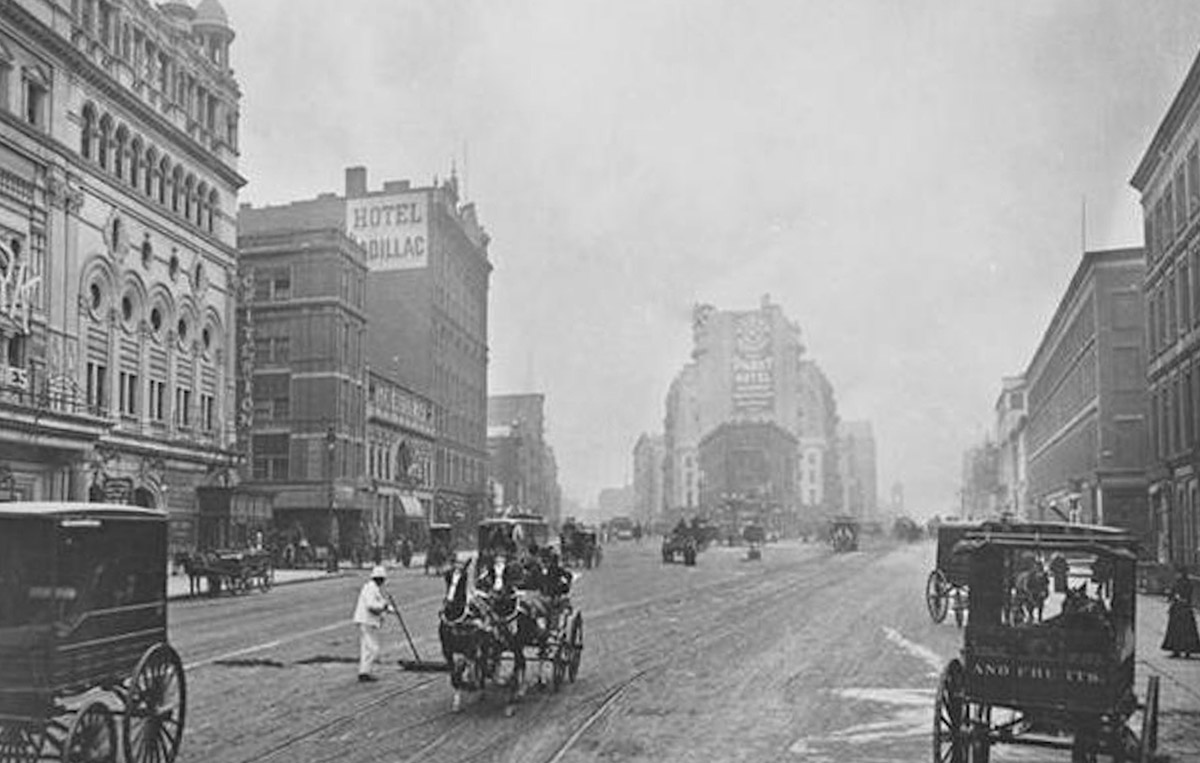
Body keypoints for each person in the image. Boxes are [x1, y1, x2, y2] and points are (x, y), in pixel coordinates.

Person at [352, 565, 393, 682]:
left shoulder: (373, 588)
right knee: (373, 649)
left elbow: (379, 602)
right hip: (366, 621)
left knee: (366, 649)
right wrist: (384, 607)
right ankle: (365, 672)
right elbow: (371, 605)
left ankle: (363, 672)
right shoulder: (370, 588)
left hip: (368, 622)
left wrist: (390, 609)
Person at [1162, 566, 1200, 659]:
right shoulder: (1186, 583)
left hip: (1181, 609)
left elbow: (1178, 595)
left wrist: (1175, 597)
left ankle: (1179, 650)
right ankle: (1184, 650)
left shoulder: (1182, 583)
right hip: (1183, 609)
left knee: (1180, 630)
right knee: (1185, 630)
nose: (1177, 575)